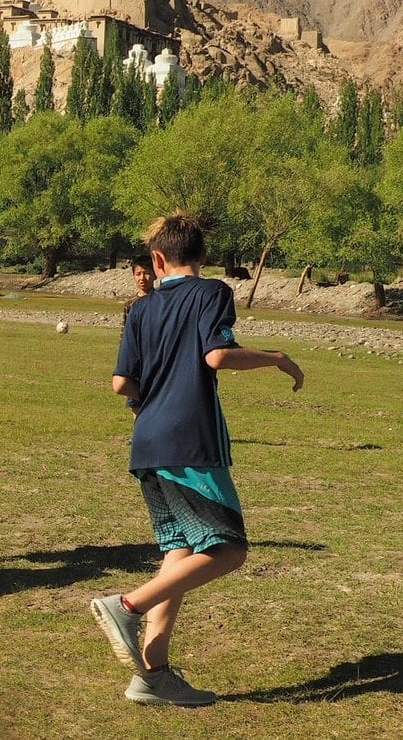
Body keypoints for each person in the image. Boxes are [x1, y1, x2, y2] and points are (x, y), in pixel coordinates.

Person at [91, 211, 304, 707]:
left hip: (147, 445)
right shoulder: (212, 293)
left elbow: (122, 383)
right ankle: (127, 605)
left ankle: (153, 674)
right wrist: (276, 357)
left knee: (180, 553)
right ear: (202, 258)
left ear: (157, 259)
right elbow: (217, 356)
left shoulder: (140, 309)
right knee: (229, 549)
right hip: (190, 445)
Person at [122, 254, 156, 325]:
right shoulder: (130, 304)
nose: (142, 278)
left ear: (155, 275)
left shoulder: (161, 301)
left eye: (146, 273)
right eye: (138, 274)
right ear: (134, 276)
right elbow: (125, 332)